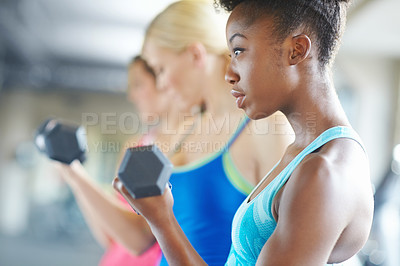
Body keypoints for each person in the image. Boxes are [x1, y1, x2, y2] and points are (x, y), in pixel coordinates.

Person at [113, 0, 375, 265]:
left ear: (296, 50)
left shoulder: (322, 172)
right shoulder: (301, 155)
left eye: (238, 51)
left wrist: (164, 221)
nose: (228, 74)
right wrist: (161, 218)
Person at [113, 1, 293, 265]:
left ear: (196, 55)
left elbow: (290, 247)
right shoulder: (183, 129)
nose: (161, 84)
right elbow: (144, 237)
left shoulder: (265, 127)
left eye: (161, 70)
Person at [56, 56, 175, 266]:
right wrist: (72, 173)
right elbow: (110, 236)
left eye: (138, 84)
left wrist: (76, 174)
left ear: (164, 81)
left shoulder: (180, 151)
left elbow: (139, 241)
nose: (132, 95)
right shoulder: (135, 146)